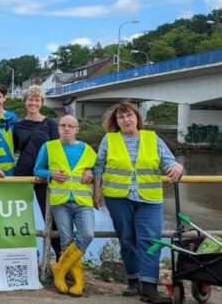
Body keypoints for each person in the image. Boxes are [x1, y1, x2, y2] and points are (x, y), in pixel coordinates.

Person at [93, 101, 183, 304]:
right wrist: (96, 192)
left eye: (129, 115)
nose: (126, 120)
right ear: (116, 121)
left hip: (148, 199)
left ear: (137, 117)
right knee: (127, 240)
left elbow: (168, 160)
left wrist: (177, 166)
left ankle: (149, 289)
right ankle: (133, 281)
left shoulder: (152, 138)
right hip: (118, 198)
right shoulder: (110, 140)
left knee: (150, 242)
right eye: (121, 117)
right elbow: (98, 167)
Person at [34, 115, 96, 297]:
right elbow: (37, 170)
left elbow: (98, 169)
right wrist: (50, 173)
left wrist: (91, 171)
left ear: (77, 129)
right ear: (58, 128)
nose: (66, 129)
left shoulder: (87, 149)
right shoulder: (49, 147)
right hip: (60, 202)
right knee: (66, 240)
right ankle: (77, 283)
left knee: (87, 234)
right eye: (63, 125)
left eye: (70, 126)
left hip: (82, 201)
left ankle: (59, 268)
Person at [13, 85, 61, 259]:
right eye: (30, 99)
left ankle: (60, 256)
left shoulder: (51, 124)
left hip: (44, 176)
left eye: (37, 100)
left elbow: (57, 149)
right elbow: (14, 149)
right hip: (22, 174)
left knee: (50, 216)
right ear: (25, 101)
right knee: (20, 215)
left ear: (42, 102)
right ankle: (27, 254)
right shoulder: (17, 126)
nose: (33, 103)